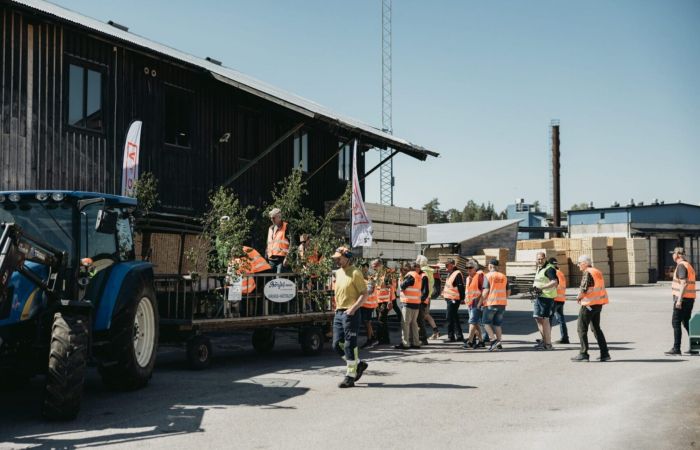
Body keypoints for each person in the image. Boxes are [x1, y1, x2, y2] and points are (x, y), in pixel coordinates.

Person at [331, 246, 369, 388]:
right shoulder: (338, 273)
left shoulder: (355, 273)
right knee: (336, 345)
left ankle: (350, 376)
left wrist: (353, 309)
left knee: (349, 345)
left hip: (350, 313)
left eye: (339, 258)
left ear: (347, 257)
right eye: (336, 259)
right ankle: (358, 364)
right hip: (339, 313)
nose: (337, 261)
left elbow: (364, 294)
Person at [571, 255, 611, 362]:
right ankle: (605, 353)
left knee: (581, 328)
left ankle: (583, 353)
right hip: (598, 304)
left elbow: (585, 288)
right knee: (596, 329)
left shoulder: (588, 272)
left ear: (585, 263)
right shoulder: (596, 271)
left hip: (588, 305)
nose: (578, 265)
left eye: (579, 263)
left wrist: (578, 297)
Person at [665, 247, 697, 355]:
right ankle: (695, 346)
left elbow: (684, 283)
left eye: (673, 253)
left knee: (676, 322)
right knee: (687, 322)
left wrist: (679, 300)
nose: (672, 255)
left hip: (683, 299)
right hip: (690, 298)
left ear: (677, 254)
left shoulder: (682, 266)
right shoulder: (688, 265)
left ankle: (676, 348)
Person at [395, 262, 428, 349]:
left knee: (405, 324)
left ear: (409, 269)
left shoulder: (410, 276)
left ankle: (405, 343)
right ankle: (416, 343)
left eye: (405, 269)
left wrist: (400, 279)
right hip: (416, 303)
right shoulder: (418, 276)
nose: (404, 271)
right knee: (414, 323)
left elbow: (402, 286)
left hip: (408, 303)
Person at [481, 259, 509, 352]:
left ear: (490, 266)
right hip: (502, 304)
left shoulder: (488, 276)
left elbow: (485, 291)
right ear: (497, 266)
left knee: (485, 322)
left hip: (491, 303)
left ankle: (493, 341)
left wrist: (480, 302)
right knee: (497, 324)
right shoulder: (503, 276)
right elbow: (508, 291)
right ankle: (499, 342)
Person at [532, 252, 558, 350]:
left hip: (546, 298)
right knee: (538, 318)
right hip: (539, 297)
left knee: (545, 320)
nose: (540, 260)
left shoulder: (549, 268)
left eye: (541, 259)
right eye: (538, 259)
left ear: (545, 258)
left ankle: (548, 344)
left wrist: (541, 288)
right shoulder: (540, 267)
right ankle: (544, 341)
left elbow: (554, 282)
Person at [463, 260, 486, 349]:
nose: (468, 270)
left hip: (476, 302)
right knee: (475, 323)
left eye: (470, 268)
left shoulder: (479, 276)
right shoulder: (469, 277)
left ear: (475, 268)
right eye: (467, 268)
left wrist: (480, 302)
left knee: (472, 322)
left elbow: (484, 290)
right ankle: (481, 341)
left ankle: (470, 341)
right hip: (470, 303)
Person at [417, 255, 440, 340]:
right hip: (428, 296)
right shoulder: (430, 271)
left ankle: (434, 332)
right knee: (425, 315)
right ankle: (435, 331)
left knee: (424, 315)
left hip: (423, 296)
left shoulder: (422, 272)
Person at [442, 258, 465, 342]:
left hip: (453, 299)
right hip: (450, 299)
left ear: (452, 265)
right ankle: (459, 336)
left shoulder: (457, 274)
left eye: (447, 266)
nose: (445, 268)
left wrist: (462, 298)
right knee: (454, 317)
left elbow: (461, 287)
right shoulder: (451, 273)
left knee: (449, 317)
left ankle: (451, 336)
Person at [371, 259, 393, 346]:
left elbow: (390, 288)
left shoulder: (386, 274)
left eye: (375, 267)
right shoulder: (376, 275)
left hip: (385, 301)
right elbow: (376, 289)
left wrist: (390, 301)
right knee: (382, 320)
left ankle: (380, 339)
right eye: (373, 268)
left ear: (380, 265)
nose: (374, 269)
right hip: (378, 301)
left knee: (381, 320)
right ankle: (386, 339)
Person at [549, 257, 570, 344]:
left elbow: (553, 285)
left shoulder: (553, 273)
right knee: (561, 319)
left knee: (548, 319)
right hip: (561, 299)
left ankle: (546, 339)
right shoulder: (560, 273)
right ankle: (565, 337)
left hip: (554, 299)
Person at [266, 208, 290, 273]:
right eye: (271, 218)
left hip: (281, 259)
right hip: (271, 259)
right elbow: (268, 244)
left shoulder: (286, 226)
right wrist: (266, 257)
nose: (272, 220)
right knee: (270, 280)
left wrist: (287, 258)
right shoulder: (271, 228)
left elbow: (292, 244)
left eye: (273, 218)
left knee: (278, 280)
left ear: (279, 217)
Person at [360, 263, 378, 349]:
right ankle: (373, 338)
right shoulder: (364, 277)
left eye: (364, 267)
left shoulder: (370, 277)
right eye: (362, 267)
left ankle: (370, 340)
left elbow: (370, 290)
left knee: (367, 322)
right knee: (367, 322)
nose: (363, 269)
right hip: (366, 303)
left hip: (368, 303)